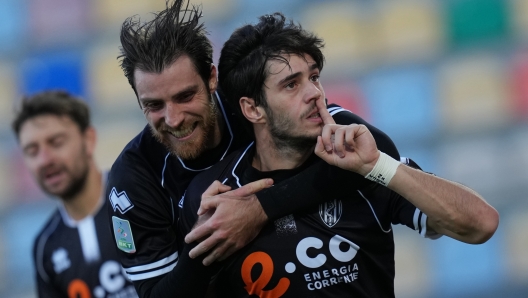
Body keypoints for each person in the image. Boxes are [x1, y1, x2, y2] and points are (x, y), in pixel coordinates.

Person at [178, 12, 499, 297]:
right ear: (253, 108)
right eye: (291, 85)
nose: (314, 94)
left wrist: (378, 165)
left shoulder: (363, 165)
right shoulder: (220, 198)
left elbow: (481, 225)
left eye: (314, 77)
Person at [106, 0, 404, 297]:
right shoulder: (134, 178)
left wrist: (259, 209)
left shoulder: (253, 102)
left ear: (211, 78)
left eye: (185, 96)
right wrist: (208, 241)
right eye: (154, 105)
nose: (173, 119)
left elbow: (377, 152)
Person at [12, 91, 137, 298]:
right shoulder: (46, 248)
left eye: (56, 142)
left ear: (88, 140)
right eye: (32, 151)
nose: (45, 160)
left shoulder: (141, 195)